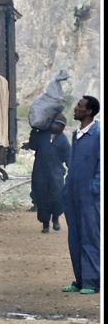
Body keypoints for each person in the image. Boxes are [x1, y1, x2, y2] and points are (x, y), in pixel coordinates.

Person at [62, 95, 100, 295]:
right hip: (73, 192)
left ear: (89, 111)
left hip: (89, 193)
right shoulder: (76, 134)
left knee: (90, 236)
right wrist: (67, 187)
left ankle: (92, 282)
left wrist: (95, 188)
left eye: (79, 106)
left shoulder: (98, 133)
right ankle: (80, 279)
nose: (75, 108)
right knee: (74, 236)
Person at [24, 114, 69, 233]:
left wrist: (73, 170)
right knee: (42, 197)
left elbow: (68, 156)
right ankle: (45, 224)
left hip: (56, 174)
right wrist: (33, 132)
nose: (58, 126)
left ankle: (55, 218)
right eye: (56, 123)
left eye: (61, 125)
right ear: (50, 123)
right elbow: (33, 145)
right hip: (40, 173)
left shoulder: (63, 139)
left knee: (57, 197)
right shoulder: (41, 135)